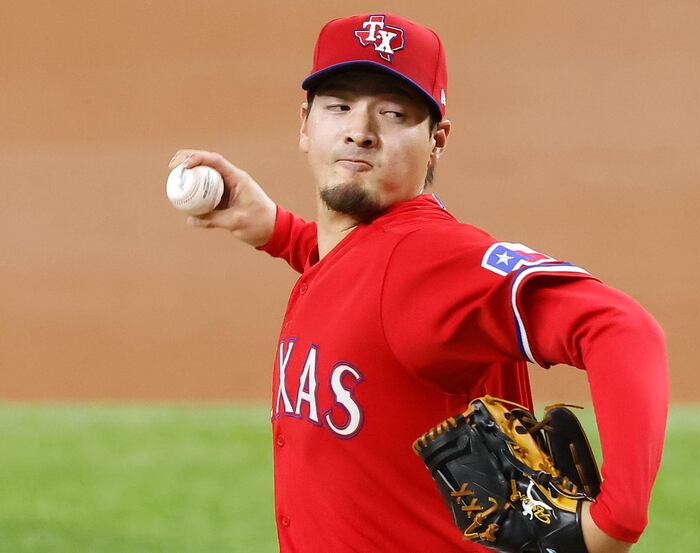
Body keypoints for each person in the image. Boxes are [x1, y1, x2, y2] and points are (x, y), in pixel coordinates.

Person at [168, 13, 668, 553]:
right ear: (305, 123)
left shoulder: (430, 259)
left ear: (436, 140)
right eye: (339, 106)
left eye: (393, 113)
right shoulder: (374, 257)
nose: (360, 129)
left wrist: (616, 522)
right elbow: (368, 283)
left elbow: (621, 328)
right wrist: (280, 231)